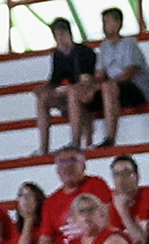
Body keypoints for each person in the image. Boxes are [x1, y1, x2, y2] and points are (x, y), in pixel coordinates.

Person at [72, 7, 149, 148]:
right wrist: (90, 87)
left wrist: (101, 85)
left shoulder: (129, 43)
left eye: (108, 22)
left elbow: (129, 74)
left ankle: (110, 138)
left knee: (107, 87)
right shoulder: (104, 47)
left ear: (118, 23)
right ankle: (78, 142)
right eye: (104, 22)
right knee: (77, 91)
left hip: (137, 89)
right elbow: (99, 75)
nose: (105, 26)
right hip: (114, 89)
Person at [36, 17, 99, 155]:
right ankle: (43, 148)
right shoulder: (57, 55)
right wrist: (45, 89)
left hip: (88, 94)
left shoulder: (83, 52)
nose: (60, 39)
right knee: (43, 99)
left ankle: (75, 142)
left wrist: (62, 91)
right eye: (57, 35)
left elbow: (86, 81)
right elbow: (55, 80)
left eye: (62, 34)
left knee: (72, 93)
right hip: (71, 93)